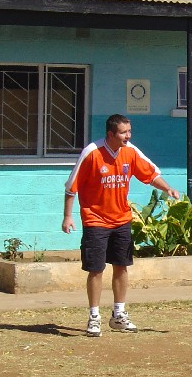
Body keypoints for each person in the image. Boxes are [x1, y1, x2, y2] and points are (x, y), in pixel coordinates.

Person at [62, 114, 180, 337]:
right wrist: (68, 216)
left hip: (121, 220)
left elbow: (150, 174)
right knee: (96, 269)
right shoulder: (92, 153)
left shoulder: (130, 151)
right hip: (95, 220)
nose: (128, 136)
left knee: (121, 266)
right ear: (110, 134)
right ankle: (94, 317)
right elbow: (71, 188)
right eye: (124, 132)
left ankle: (119, 314)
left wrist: (167, 188)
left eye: (129, 132)